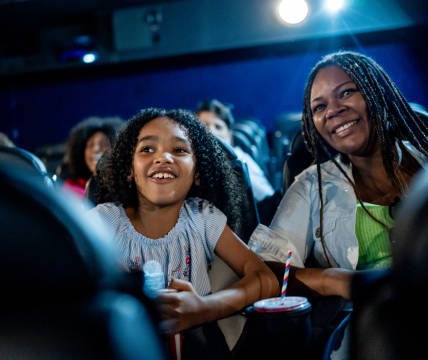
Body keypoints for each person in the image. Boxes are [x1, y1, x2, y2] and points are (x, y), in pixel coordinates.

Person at [249, 50, 428, 297]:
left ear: (377, 93)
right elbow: (264, 269)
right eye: (319, 106)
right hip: (374, 323)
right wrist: (333, 280)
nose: (333, 110)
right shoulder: (311, 185)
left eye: (346, 92)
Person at [88, 108, 278, 357]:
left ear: (197, 172)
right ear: (129, 170)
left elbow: (266, 279)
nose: (163, 157)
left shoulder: (202, 217)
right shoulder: (104, 221)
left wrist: (206, 307)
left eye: (179, 150)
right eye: (147, 149)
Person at [196, 99, 275, 203]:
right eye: (204, 126)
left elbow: (268, 198)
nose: (211, 132)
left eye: (218, 127)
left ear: (229, 135)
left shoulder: (240, 160)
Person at [56, 116, 123, 197]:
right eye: (90, 145)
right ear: (81, 152)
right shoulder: (71, 189)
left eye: (104, 144)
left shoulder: (126, 187)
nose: (96, 149)